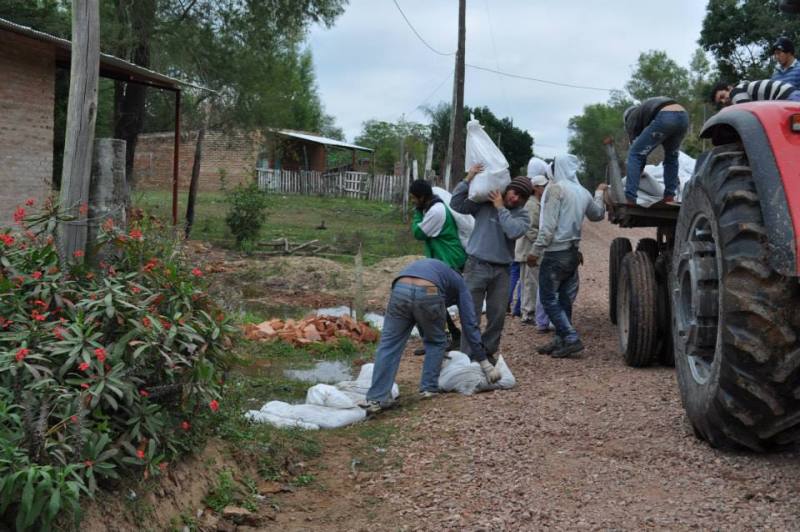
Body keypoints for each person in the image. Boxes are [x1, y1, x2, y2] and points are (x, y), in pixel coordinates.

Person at [360, 258, 501, 414]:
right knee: (437, 342)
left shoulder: (436, 269)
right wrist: (485, 363)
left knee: (388, 345)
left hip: (400, 287)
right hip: (429, 290)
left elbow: (422, 317)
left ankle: (376, 399)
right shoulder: (460, 283)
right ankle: (428, 388)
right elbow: (469, 324)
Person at [450, 166, 531, 363]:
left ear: (525, 200)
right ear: (508, 189)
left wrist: (501, 207)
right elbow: (457, 204)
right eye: (514, 192)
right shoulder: (484, 203)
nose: (515, 198)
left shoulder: (522, 216)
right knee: (471, 314)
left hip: (501, 270)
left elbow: (513, 231)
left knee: (497, 316)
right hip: (476, 265)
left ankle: (487, 352)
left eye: (521, 197)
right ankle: (468, 357)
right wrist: (468, 178)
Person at [528, 155, 607, 358]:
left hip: (555, 252)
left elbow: (548, 226)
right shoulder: (582, 192)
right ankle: (560, 340)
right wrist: (599, 193)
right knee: (564, 299)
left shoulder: (555, 189)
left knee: (547, 298)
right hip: (572, 252)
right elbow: (597, 214)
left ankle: (571, 338)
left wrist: (536, 251)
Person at [409, 179, 464, 351]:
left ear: (422, 197)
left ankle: (441, 340)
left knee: (427, 301)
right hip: (442, 263)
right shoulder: (433, 208)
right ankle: (449, 336)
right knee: (432, 300)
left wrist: (418, 213)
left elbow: (418, 232)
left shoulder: (436, 211)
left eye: (414, 198)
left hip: (448, 263)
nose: (412, 201)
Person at [623, 97, 689, 206]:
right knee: (671, 157)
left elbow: (637, 153)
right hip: (683, 116)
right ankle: (669, 196)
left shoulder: (631, 119)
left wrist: (638, 172)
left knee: (634, 154)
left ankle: (630, 198)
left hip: (666, 116)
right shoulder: (644, 111)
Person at [515, 175, 549, 330]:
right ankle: (528, 313)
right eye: (542, 186)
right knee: (530, 282)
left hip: (530, 250)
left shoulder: (537, 204)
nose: (544, 189)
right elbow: (530, 228)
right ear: (535, 188)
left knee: (529, 281)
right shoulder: (532, 205)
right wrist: (542, 242)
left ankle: (527, 311)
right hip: (529, 250)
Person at [710, 79, 800, 107]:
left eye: (722, 96)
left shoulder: (735, 92)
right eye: (720, 102)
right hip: (791, 95)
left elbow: (745, 113)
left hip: (787, 97)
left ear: (729, 88)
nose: (723, 101)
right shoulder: (744, 88)